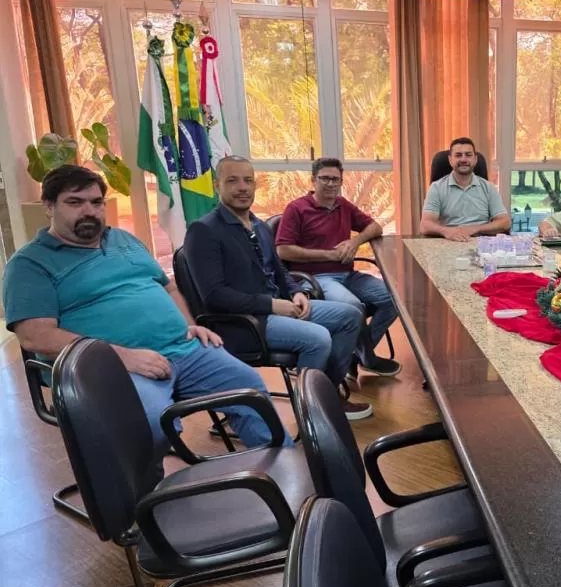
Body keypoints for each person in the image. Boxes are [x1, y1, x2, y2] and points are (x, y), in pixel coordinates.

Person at [2, 165, 287, 460]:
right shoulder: (30, 265)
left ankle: (283, 472)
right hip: (111, 368)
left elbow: (169, 288)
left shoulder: (124, 240)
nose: (89, 211)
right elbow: (37, 337)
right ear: (49, 206)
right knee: (150, 423)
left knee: (250, 389)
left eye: (96, 202)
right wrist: (123, 357)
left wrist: (190, 325)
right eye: (75, 202)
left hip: (184, 349)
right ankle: (145, 489)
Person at [185, 156, 372, 421]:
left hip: (279, 308)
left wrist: (297, 292)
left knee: (351, 316)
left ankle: (326, 395)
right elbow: (214, 296)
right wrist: (272, 305)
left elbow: (280, 270)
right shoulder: (203, 230)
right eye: (232, 181)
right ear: (217, 185)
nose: (242, 187)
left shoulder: (259, 226)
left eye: (248, 180)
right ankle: (312, 417)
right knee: (319, 338)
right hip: (245, 322)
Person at [275, 157, 400, 379]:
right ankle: (367, 358)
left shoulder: (343, 205)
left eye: (336, 179)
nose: (331, 184)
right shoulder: (297, 209)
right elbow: (283, 251)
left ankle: (356, 355)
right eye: (325, 179)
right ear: (313, 180)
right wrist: (329, 254)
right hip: (316, 278)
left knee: (395, 299)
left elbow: (376, 227)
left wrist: (354, 242)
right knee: (353, 306)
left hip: (348, 275)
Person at [420, 137, 511, 241]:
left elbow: (505, 222)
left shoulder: (488, 188)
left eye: (468, 155)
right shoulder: (436, 188)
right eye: (458, 155)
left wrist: (474, 229)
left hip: (481, 243)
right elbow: (425, 225)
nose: (463, 159)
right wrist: (447, 231)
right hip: (450, 241)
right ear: (450, 160)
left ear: (475, 159)